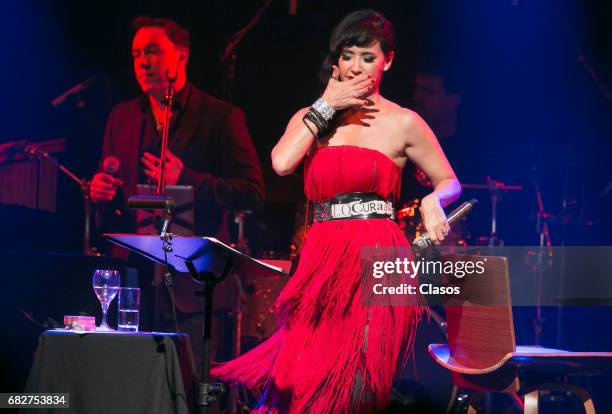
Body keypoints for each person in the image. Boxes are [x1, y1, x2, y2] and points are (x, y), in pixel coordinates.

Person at [212, 9, 460, 413]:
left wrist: (435, 200)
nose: (356, 67)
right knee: (301, 382)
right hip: (321, 260)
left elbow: (450, 181)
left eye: (368, 57)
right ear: (335, 61)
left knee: (357, 387)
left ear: (388, 61)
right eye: (348, 56)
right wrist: (326, 105)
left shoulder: (404, 122)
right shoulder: (312, 118)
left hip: (378, 258)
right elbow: (281, 163)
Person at [90, 16, 264, 241]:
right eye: (136, 54)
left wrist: (185, 178)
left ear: (182, 55)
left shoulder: (220, 116)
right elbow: (112, 185)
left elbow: (253, 194)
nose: (143, 62)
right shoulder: (121, 116)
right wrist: (100, 190)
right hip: (131, 256)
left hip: (195, 262)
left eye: (152, 51)